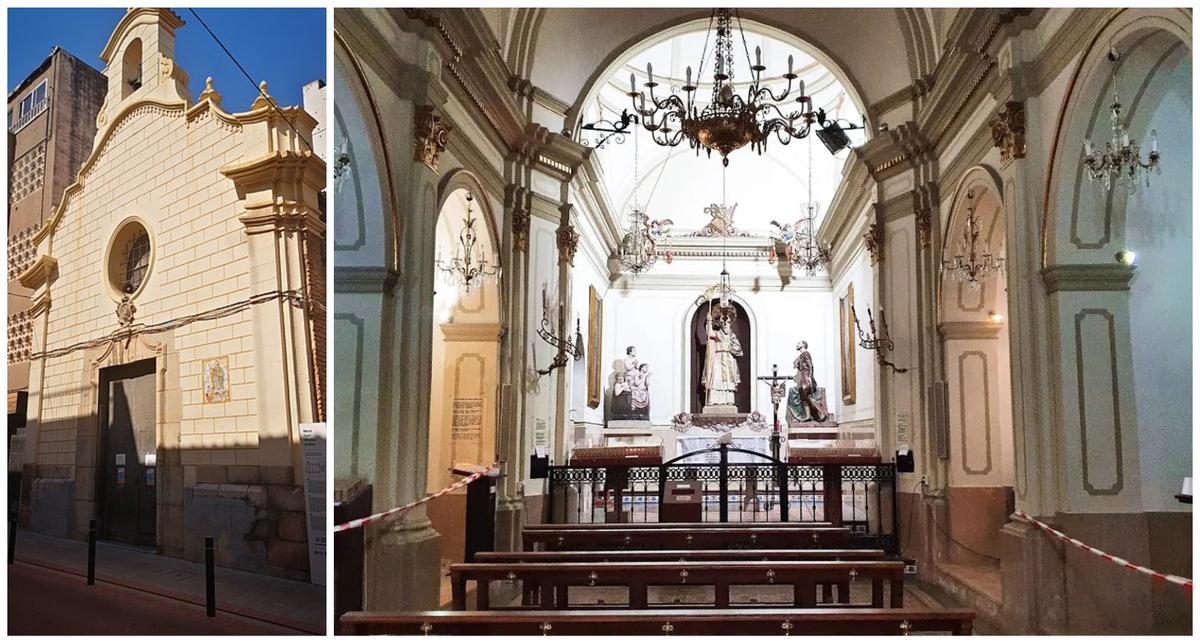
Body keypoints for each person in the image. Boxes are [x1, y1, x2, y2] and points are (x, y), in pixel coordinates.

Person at [702, 312, 742, 409]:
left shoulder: (732, 336)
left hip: (729, 358)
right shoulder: (717, 334)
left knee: (728, 379)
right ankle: (714, 399)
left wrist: (731, 348)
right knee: (716, 377)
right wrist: (709, 321)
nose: (725, 324)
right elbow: (709, 333)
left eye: (727, 322)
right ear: (720, 323)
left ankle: (728, 400)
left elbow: (739, 350)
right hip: (719, 357)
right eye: (723, 322)